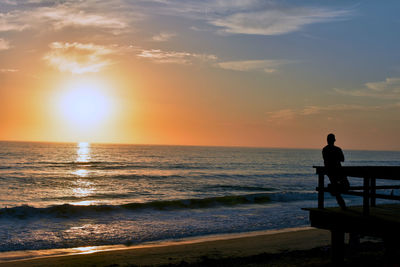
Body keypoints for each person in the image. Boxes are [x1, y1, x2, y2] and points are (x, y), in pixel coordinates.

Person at [322, 133, 349, 209]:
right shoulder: (338, 149)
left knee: (337, 187)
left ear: (327, 140)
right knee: (345, 186)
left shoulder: (325, 149)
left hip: (331, 172)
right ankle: (342, 204)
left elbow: (326, 160)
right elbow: (342, 159)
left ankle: (331, 188)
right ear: (334, 140)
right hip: (337, 171)